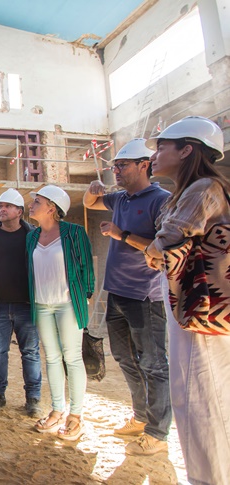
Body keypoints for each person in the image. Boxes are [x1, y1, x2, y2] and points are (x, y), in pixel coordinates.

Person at [143, 116, 230, 485]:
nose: (156, 153)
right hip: (200, 311)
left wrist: (155, 246)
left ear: (187, 150)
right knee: (207, 395)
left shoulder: (203, 188)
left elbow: (163, 244)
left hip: (199, 312)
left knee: (197, 399)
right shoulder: (197, 190)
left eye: (163, 145)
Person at [83, 138, 172, 456]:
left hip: (145, 297)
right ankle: (140, 416)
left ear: (143, 165)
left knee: (153, 363)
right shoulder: (119, 199)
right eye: (114, 167)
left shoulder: (161, 200)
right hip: (117, 292)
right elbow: (90, 203)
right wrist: (93, 187)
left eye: (122, 165)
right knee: (125, 359)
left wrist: (120, 235)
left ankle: (158, 433)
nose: (116, 171)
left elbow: (161, 247)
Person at [26, 185, 94, 441]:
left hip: (68, 304)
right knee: (52, 358)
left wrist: (84, 296)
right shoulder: (31, 237)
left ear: (51, 208)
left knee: (72, 357)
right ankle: (57, 410)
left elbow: (86, 266)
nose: (31, 205)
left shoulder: (74, 233)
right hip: (42, 305)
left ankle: (75, 416)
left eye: (37, 201)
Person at [0, 189, 41, 417]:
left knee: (31, 353)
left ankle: (33, 398)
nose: (2, 210)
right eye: (0, 206)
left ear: (19, 211)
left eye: (7, 206)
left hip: (27, 305)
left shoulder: (34, 236)